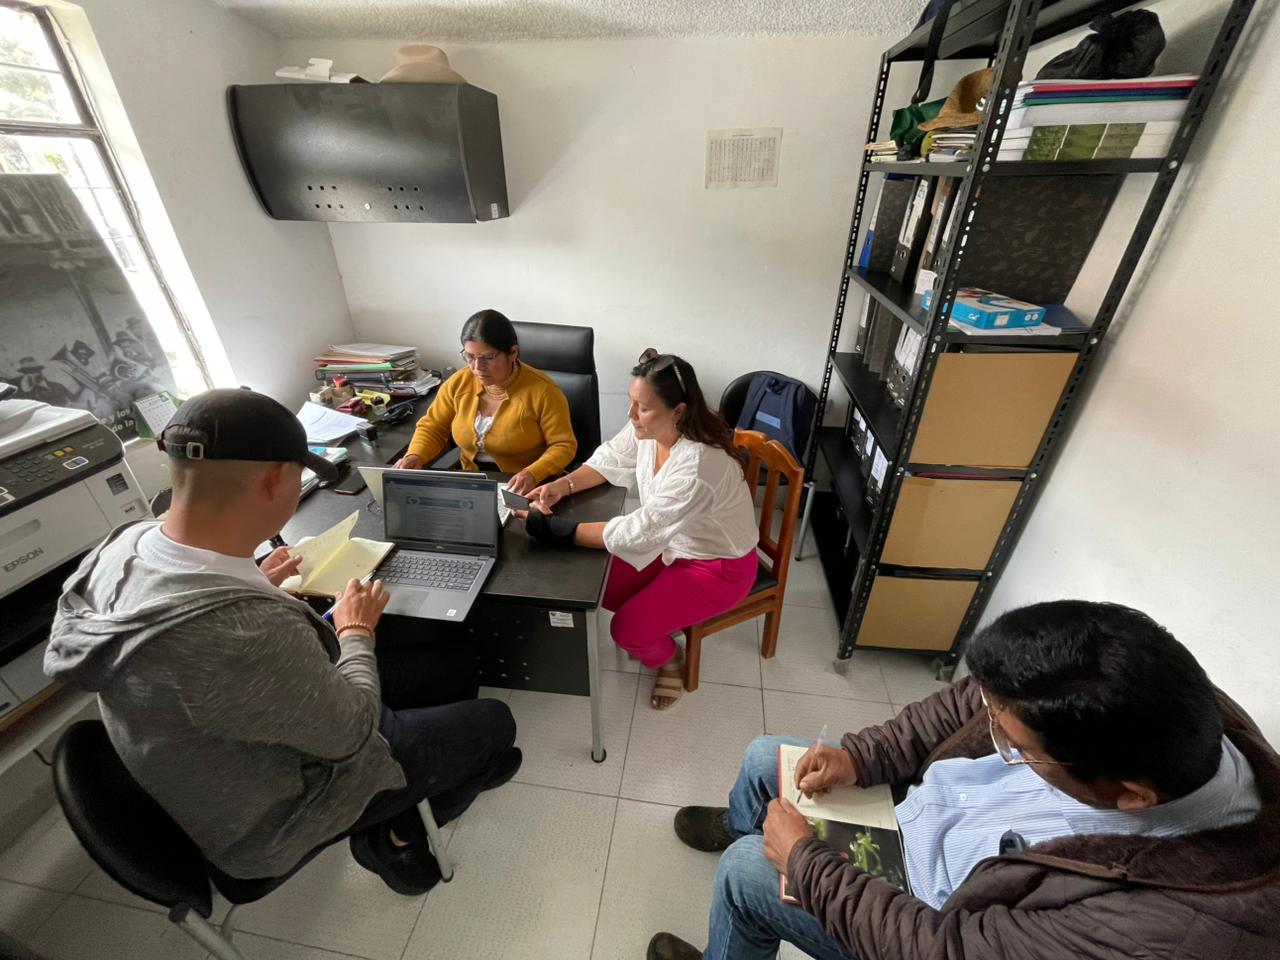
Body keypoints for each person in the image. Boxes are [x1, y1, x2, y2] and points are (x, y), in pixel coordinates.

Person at [45, 388, 521, 896]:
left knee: (456, 662)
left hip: (232, 749)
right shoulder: (246, 633)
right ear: (275, 479)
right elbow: (354, 733)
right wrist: (356, 632)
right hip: (277, 814)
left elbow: (201, 628)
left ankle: (425, 780)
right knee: (495, 724)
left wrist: (255, 578)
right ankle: (396, 836)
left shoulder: (121, 547)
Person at [648, 600, 1280, 960]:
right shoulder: (1164, 710)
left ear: (1132, 797)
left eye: (1017, 748)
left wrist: (806, 865)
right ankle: (745, 824)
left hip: (930, 917)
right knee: (768, 756)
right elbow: (973, 703)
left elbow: (946, 950)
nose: (992, 728)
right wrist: (862, 758)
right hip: (926, 821)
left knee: (744, 872)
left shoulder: (1161, 929)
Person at [520, 349, 759, 710]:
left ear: (678, 411)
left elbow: (639, 531)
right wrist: (562, 485)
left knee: (626, 630)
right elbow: (612, 457)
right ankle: (660, 621)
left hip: (717, 567)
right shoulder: (649, 427)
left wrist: (554, 529)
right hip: (672, 544)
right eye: (631, 402)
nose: (631, 414)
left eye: (642, 407)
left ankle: (670, 659)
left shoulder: (698, 465)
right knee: (597, 583)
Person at [395, 309, 576, 495]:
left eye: (488, 358)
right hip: (471, 485)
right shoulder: (458, 383)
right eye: (470, 356)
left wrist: (533, 473)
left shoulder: (544, 392)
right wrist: (415, 455)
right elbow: (433, 427)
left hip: (529, 487)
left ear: (513, 353)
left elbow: (563, 446)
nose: (477, 367)